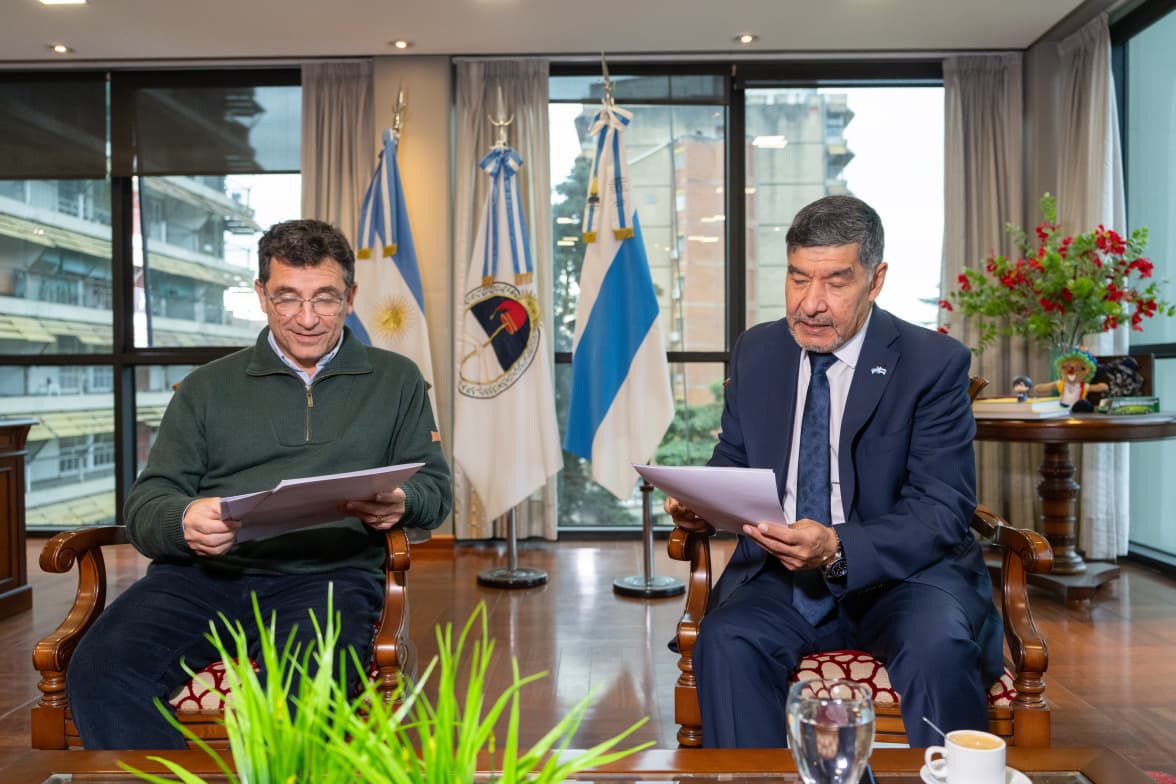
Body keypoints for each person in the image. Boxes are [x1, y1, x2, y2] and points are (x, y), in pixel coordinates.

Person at [67, 219, 452, 749]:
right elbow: (147, 504)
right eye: (288, 298)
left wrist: (402, 502)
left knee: (305, 698)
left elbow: (436, 488)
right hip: (203, 577)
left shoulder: (396, 379)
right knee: (100, 670)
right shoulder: (206, 387)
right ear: (262, 296)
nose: (308, 319)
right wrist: (184, 520)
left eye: (325, 299)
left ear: (350, 298)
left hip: (329, 578)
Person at [666, 195, 1002, 749]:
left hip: (906, 577)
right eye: (798, 279)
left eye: (835, 282)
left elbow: (941, 510)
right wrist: (700, 502)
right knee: (726, 638)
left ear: (875, 280)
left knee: (937, 647)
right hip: (782, 578)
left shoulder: (932, 363)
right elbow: (734, 459)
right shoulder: (758, 351)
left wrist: (836, 547)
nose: (811, 304)